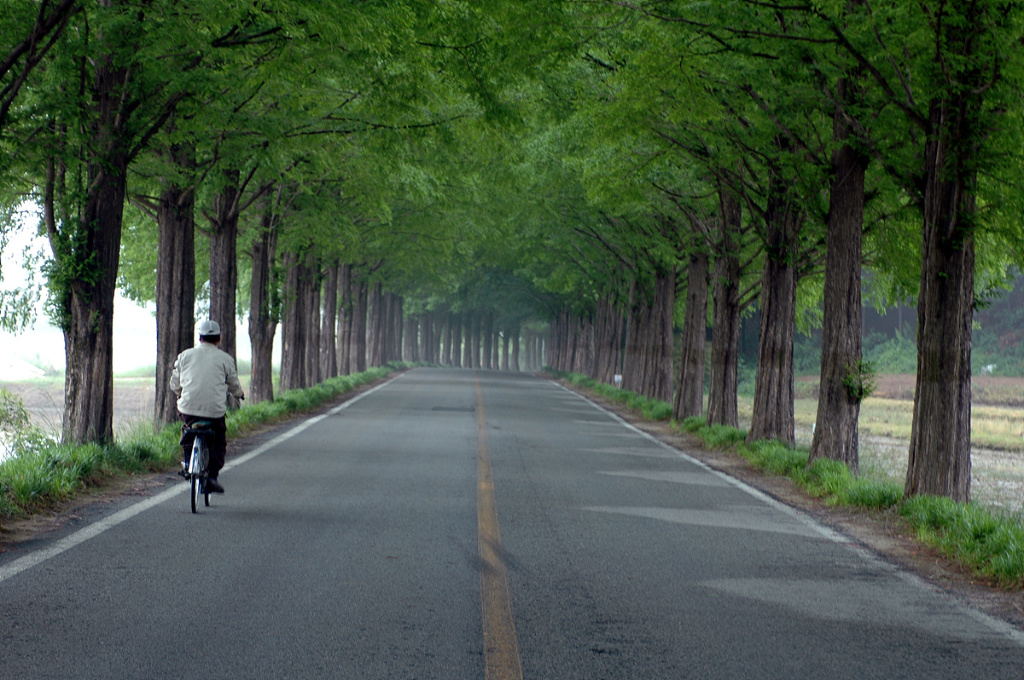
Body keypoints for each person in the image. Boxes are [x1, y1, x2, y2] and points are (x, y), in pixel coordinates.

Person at [169, 319, 245, 493]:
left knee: (188, 429)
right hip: (214, 411)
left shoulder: (185, 356)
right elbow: (233, 383)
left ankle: (188, 462)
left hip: (188, 409)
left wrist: (181, 392)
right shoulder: (225, 358)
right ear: (218, 339)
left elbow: (174, 384)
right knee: (218, 440)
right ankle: (211, 477)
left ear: (200, 338)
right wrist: (239, 394)